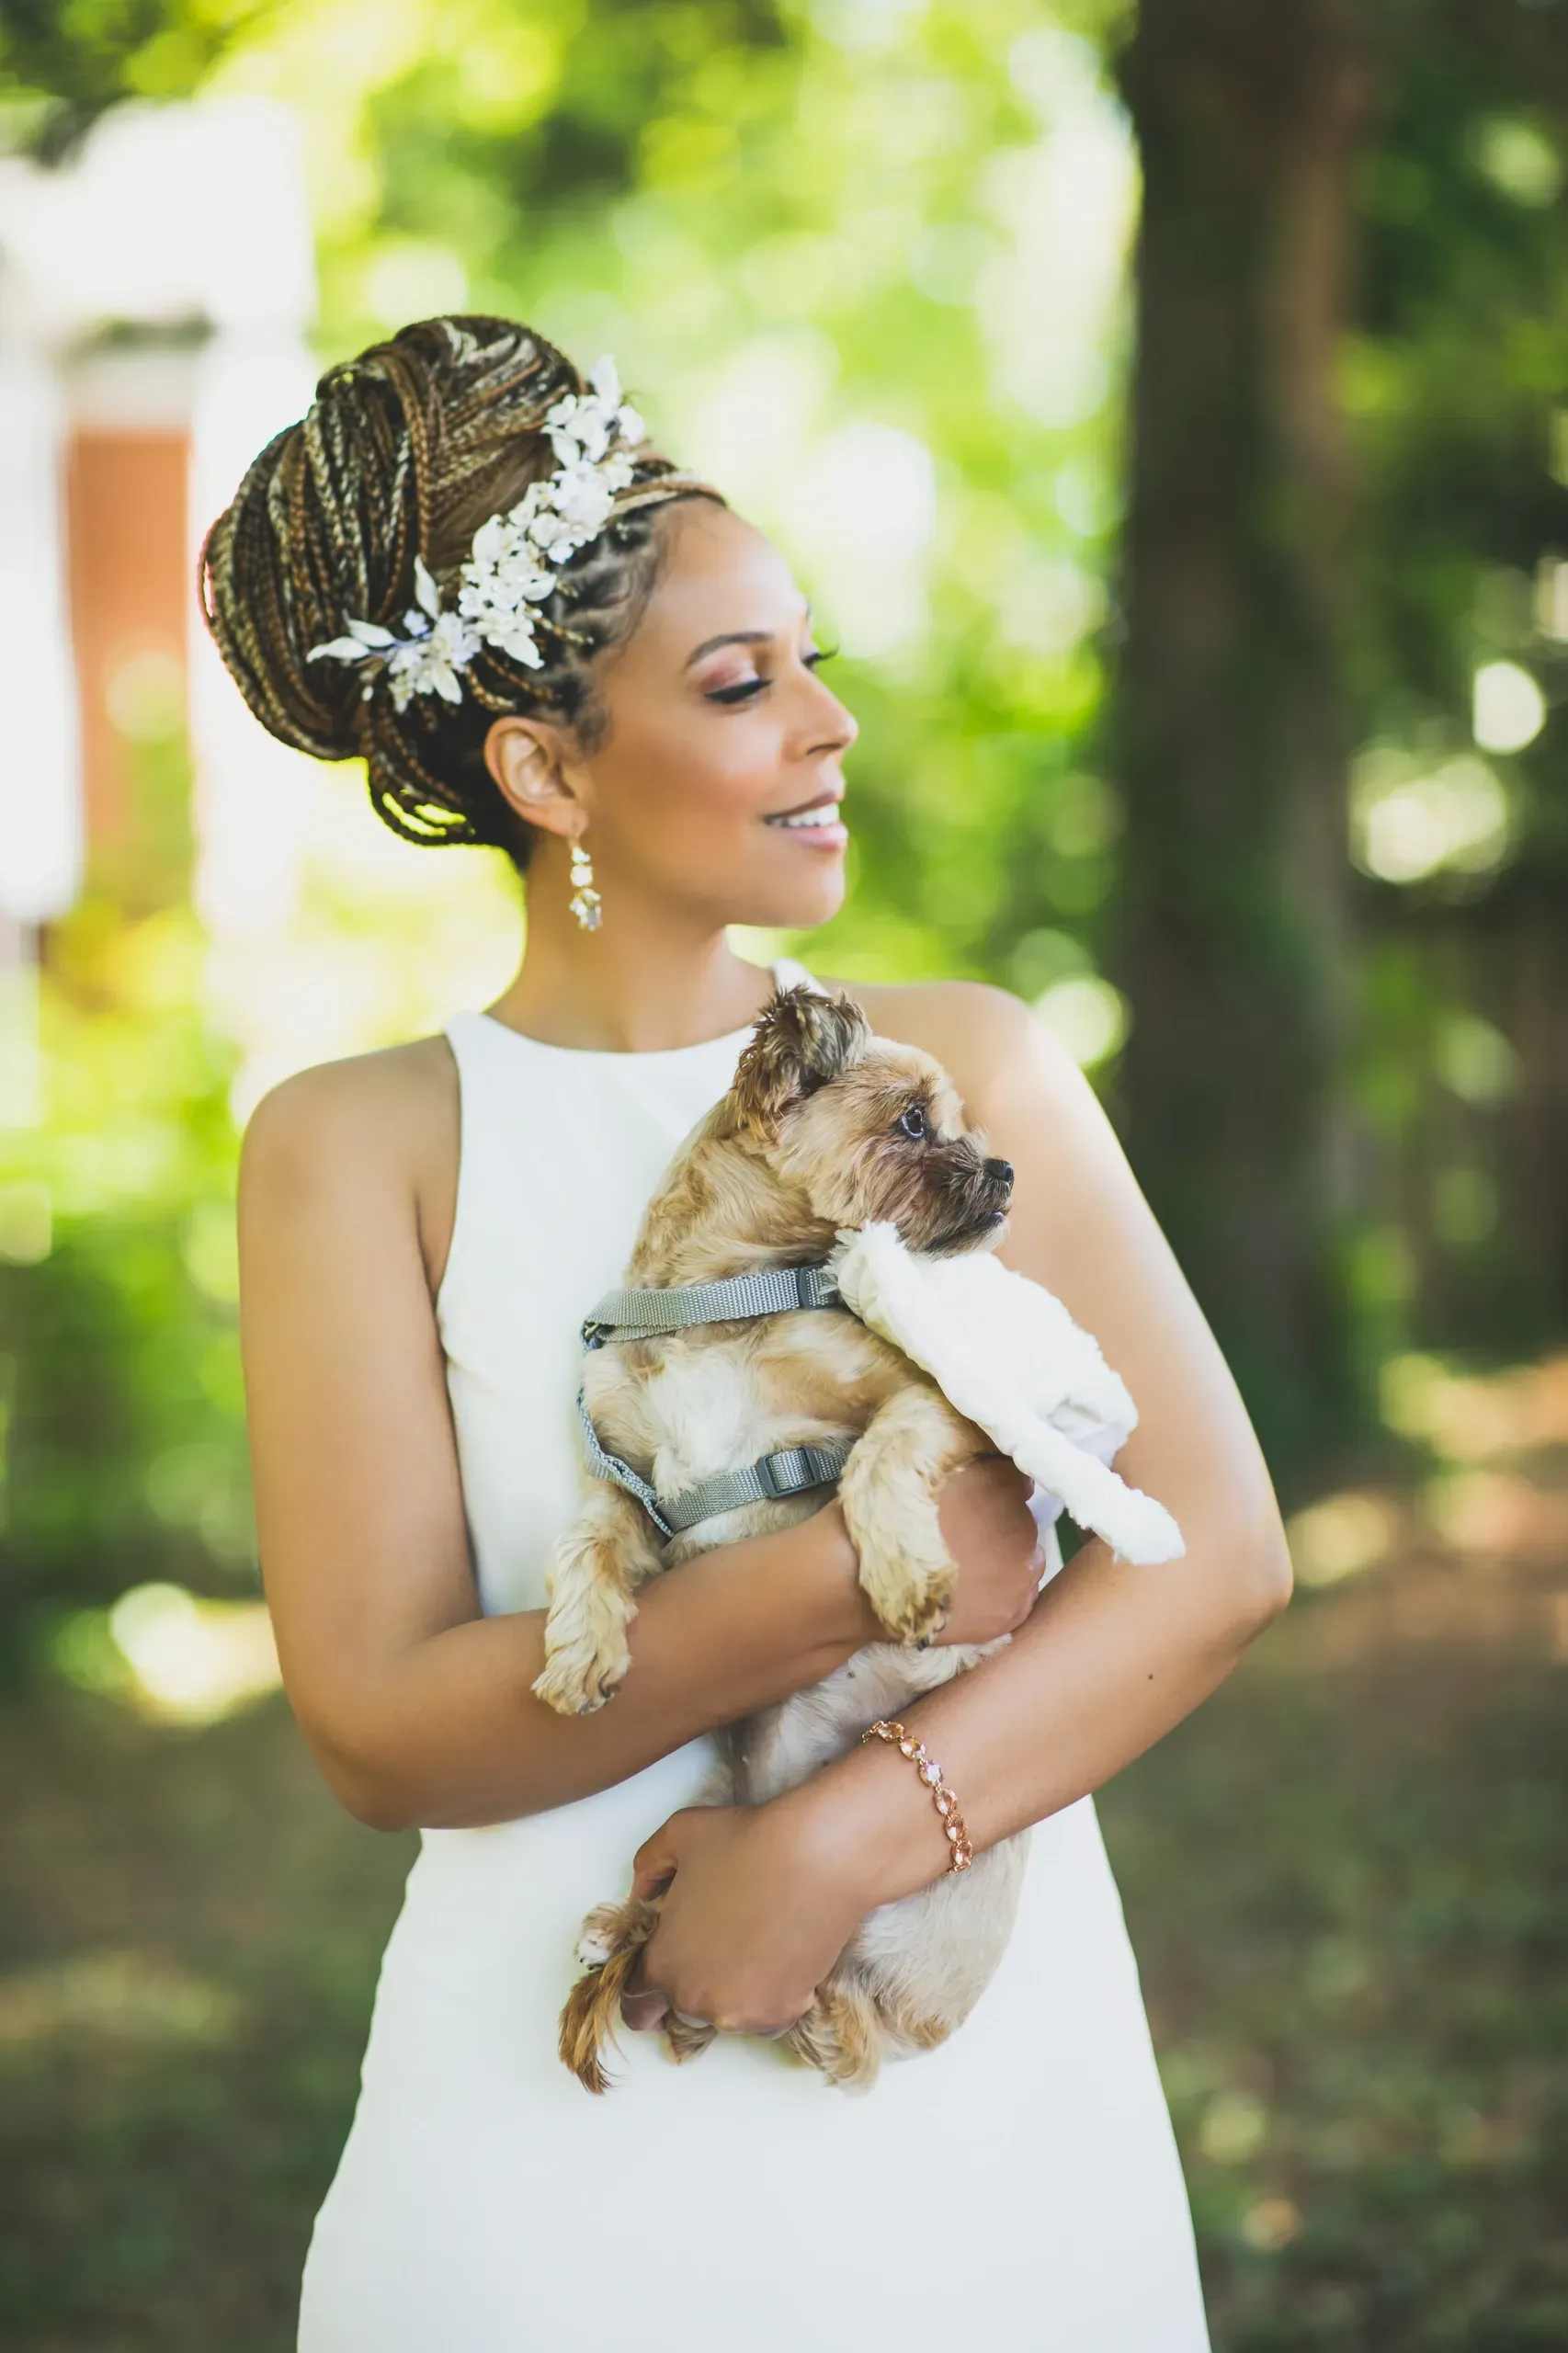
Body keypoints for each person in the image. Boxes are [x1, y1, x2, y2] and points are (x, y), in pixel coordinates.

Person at [201, 314, 1290, 2351]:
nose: (827, 720)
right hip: (546, 2119)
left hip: (974, 2111)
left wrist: (832, 1844)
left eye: (809, 656)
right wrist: (825, 1576)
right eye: (739, 680)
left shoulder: (963, 1068)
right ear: (544, 768)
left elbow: (1216, 1553)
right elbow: (372, 1722)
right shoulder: (354, 1145)